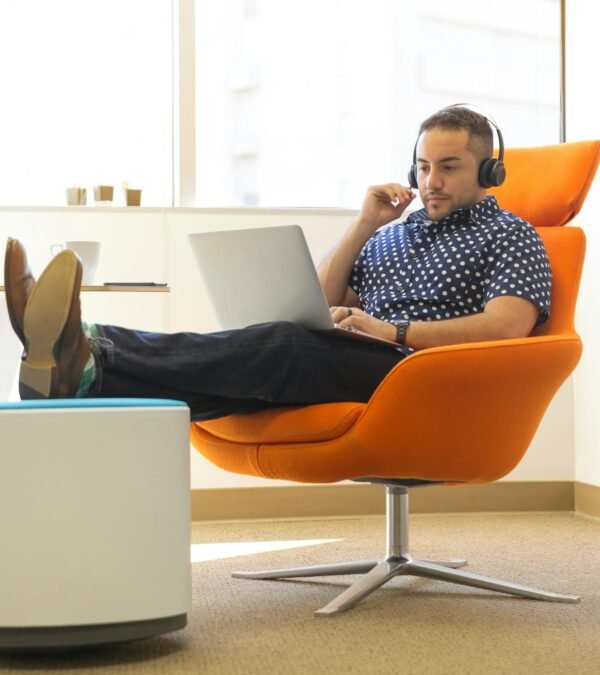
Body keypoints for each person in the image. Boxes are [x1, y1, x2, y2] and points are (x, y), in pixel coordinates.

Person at [4, 106, 551, 421]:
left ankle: (93, 345)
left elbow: (509, 325)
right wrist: (364, 225)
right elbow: (311, 302)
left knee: (284, 347)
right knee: (238, 379)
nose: (430, 182)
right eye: (423, 167)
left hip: (423, 376)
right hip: (361, 361)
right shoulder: (393, 234)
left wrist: (392, 329)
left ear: (488, 173)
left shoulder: (510, 233)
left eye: (449, 167)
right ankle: (80, 379)